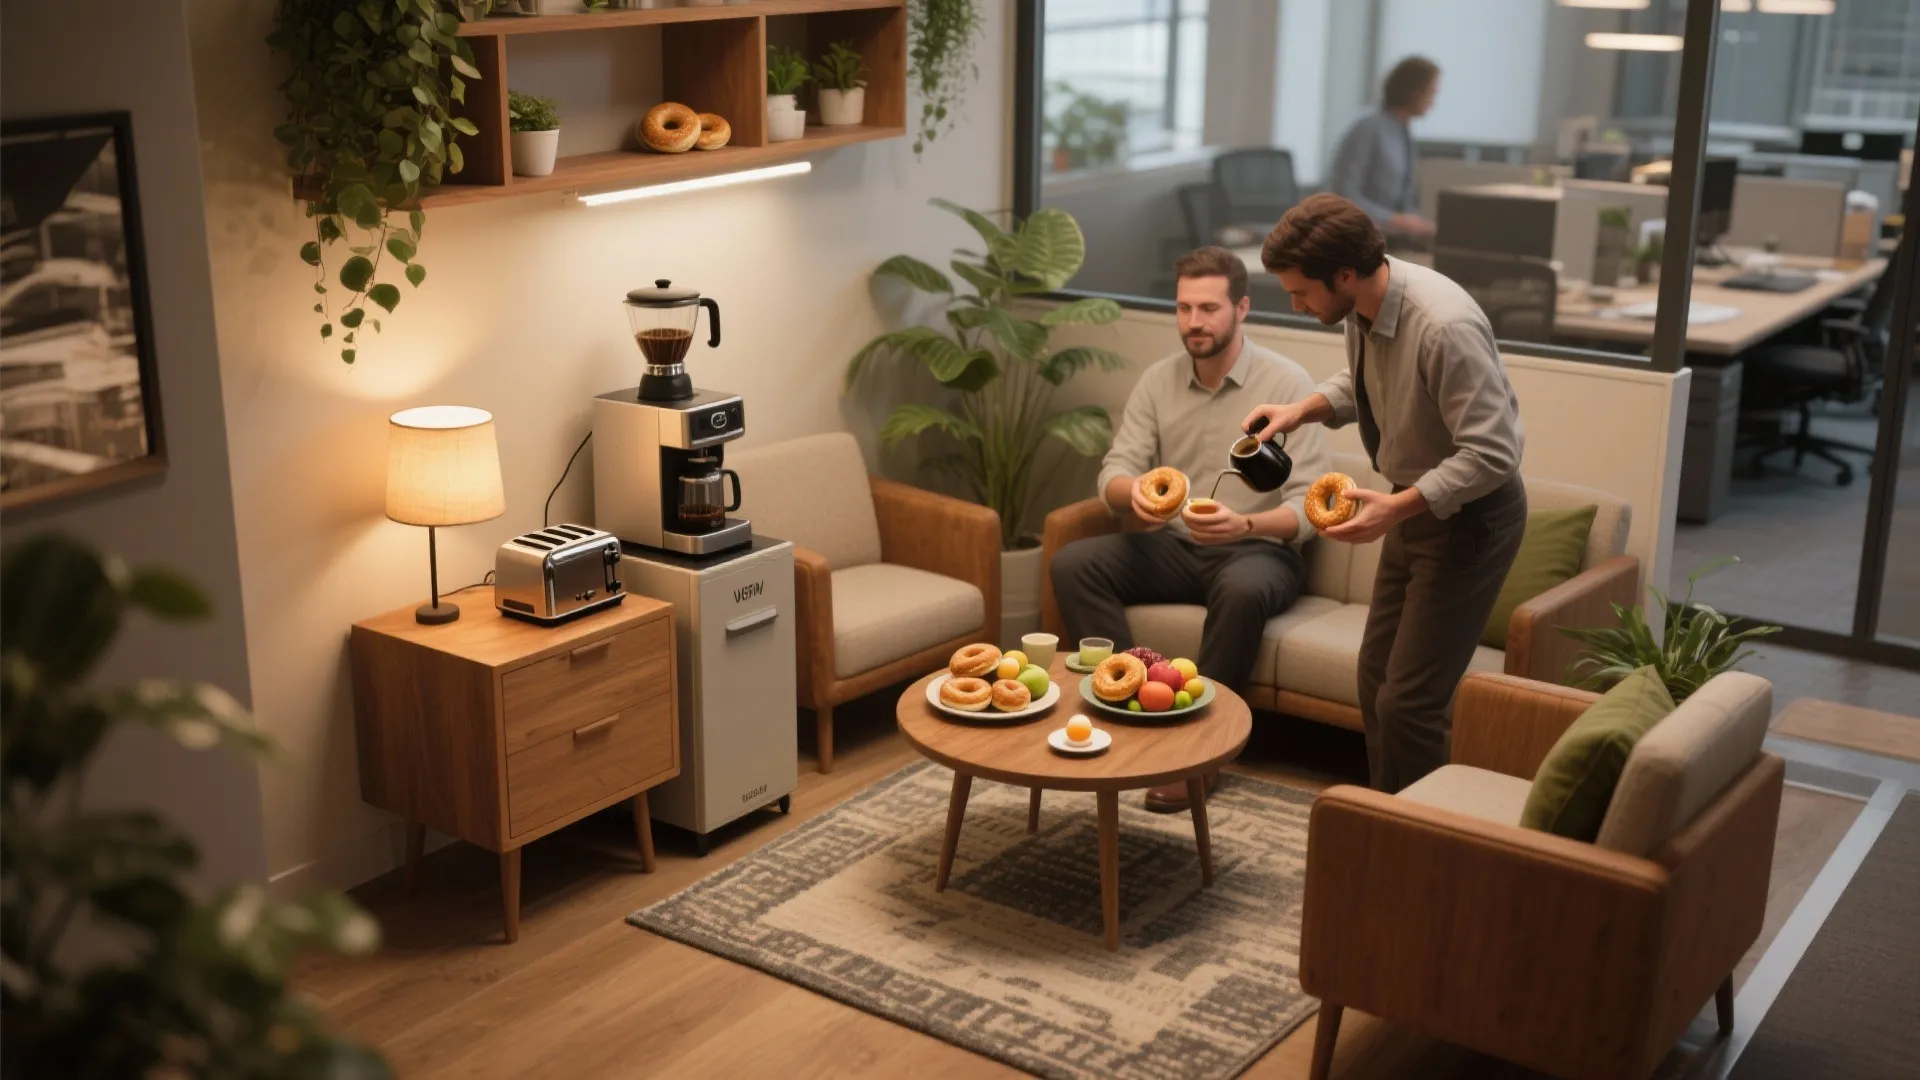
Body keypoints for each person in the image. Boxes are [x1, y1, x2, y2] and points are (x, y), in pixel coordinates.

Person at [1243, 194, 1525, 794]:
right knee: (1375, 677)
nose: (1295, 305)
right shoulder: (1365, 306)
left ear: (1343, 274)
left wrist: (1397, 506)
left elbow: (1494, 452)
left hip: (1472, 520)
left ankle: (1421, 845)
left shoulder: (1444, 325)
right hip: (1414, 507)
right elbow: (1366, 382)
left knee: (1410, 703)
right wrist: (1303, 409)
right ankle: (1388, 817)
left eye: (1300, 292)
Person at [1052, 246, 1330, 813]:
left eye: (1208, 308)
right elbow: (1114, 472)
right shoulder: (1159, 381)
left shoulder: (1286, 383)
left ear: (1242, 308)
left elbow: (1309, 510)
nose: (1194, 322)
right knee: (1073, 563)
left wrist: (1245, 522)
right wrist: (1132, 496)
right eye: (1183, 309)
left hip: (1257, 551)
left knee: (1243, 588)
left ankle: (1200, 752)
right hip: (1172, 547)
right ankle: (1129, 705)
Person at [1327, 55, 1440, 240]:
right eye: (1431, 94)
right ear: (1414, 92)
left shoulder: (1404, 134)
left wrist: (1417, 223)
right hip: (1357, 235)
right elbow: (1343, 194)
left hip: (1389, 236)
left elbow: (1405, 200)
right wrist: (1395, 220)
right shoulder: (1368, 128)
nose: (1432, 102)